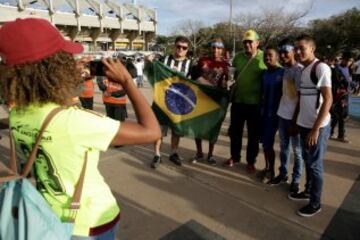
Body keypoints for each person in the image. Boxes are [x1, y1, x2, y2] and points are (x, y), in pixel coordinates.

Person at [0, 18, 161, 239]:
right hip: (91, 222)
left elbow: (51, 107)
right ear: (55, 66)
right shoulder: (77, 123)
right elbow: (151, 131)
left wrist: (64, 81)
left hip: (47, 215)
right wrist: (127, 81)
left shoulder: (18, 114)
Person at [288, 34, 332, 217]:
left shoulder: (320, 68)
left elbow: (328, 99)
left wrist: (315, 129)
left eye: (302, 48)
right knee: (308, 161)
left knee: (314, 165)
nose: (298, 52)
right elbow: (301, 100)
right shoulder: (303, 71)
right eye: (296, 48)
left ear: (312, 49)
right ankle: (308, 190)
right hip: (304, 125)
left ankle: (315, 203)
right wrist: (296, 121)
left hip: (317, 127)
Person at [226, 29, 267, 173]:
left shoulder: (264, 57)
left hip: (255, 104)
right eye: (245, 42)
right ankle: (235, 157)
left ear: (257, 43)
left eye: (250, 42)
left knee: (253, 135)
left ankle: (251, 161)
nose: (247, 45)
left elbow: (276, 69)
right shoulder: (237, 57)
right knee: (235, 133)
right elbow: (232, 75)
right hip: (238, 102)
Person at [150, 36, 192, 168]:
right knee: (159, 130)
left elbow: (197, 81)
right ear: (174, 46)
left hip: (178, 103)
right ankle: (157, 154)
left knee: (176, 131)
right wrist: (149, 62)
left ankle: (174, 153)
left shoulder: (191, 64)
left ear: (187, 50)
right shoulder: (164, 60)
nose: (180, 49)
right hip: (162, 101)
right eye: (178, 46)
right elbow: (153, 71)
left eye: (184, 48)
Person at [269, 40, 304, 194]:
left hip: (295, 118)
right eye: (281, 52)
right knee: (284, 148)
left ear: (294, 51)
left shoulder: (300, 71)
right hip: (282, 114)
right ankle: (283, 174)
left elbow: (301, 98)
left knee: (297, 151)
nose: (283, 55)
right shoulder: (284, 70)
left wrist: (295, 121)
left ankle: (296, 180)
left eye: (286, 52)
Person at [189, 37, 229, 165]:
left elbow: (226, 84)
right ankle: (199, 153)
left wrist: (225, 84)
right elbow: (193, 77)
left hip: (216, 101)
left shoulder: (226, 65)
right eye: (213, 47)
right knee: (198, 128)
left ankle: (210, 155)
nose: (216, 50)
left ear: (223, 50)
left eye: (219, 48)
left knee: (214, 128)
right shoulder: (202, 61)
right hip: (200, 99)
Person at [257, 46, 284, 183]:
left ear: (277, 57)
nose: (267, 58)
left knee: (282, 146)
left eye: (270, 55)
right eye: (265, 56)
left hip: (278, 115)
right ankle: (268, 168)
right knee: (266, 144)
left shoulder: (283, 73)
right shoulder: (264, 74)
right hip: (264, 114)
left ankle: (275, 172)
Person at [330, 51, 353, 143]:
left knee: (337, 116)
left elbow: (348, 81)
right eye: (347, 60)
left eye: (350, 61)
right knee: (343, 115)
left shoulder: (348, 69)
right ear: (342, 59)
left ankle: (330, 131)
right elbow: (338, 83)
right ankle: (341, 135)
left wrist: (352, 85)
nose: (348, 62)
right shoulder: (337, 69)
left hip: (346, 95)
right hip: (340, 96)